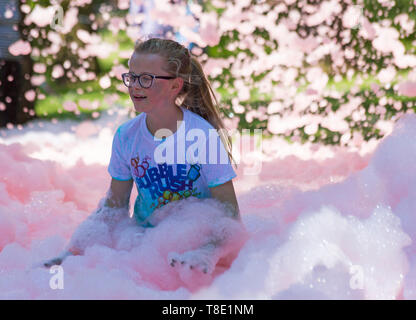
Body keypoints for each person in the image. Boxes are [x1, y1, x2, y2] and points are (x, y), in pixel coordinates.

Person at [43, 38, 241, 272]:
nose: (135, 86)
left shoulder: (201, 136)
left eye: (146, 79)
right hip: (143, 243)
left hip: (194, 243)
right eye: (132, 77)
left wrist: (208, 253)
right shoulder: (127, 135)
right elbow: (115, 205)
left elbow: (230, 215)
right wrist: (73, 252)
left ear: (174, 86)